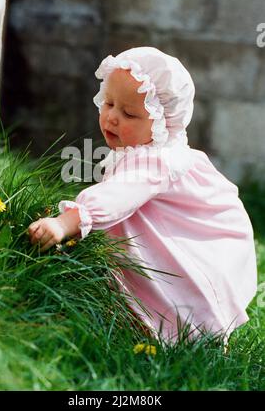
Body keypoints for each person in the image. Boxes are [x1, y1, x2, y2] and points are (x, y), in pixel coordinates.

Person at [28, 46, 257, 345]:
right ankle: (138, 315)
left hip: (193, 241)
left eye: (129, 113)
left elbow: (117, 196)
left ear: (163, 123)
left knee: (182, 290)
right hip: (169, 230)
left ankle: (196, 335)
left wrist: (66, 222)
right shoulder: (146, 151)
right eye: (108, 103)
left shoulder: (157, 161)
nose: (111, 117)